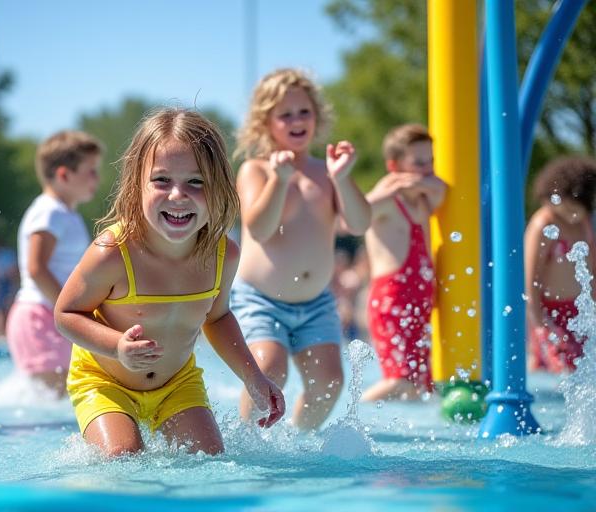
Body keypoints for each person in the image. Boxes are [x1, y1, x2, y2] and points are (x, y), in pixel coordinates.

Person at [55, 108, 285, 457]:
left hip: (177, 383)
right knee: (122, 457)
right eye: (162, 180)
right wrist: (117, 346)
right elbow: (66, 313)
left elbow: (218, 318)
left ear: (219, 189)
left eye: (196, 182)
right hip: (105, 380)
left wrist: (254, 378)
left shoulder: (222, 255)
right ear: (137, 186)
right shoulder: (114, 252)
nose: (178, 195)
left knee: (209, 462)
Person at [232, 68, 371, 431]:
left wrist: (342, 178)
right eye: (285, 114)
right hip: (261, 298)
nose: (296, 121)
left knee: (329, 382)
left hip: (315, 302)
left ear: (317, 116)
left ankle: (300, 439)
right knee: (268, 369)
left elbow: (359, 224)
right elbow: (259, 228)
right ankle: (250, 441)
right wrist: (279, 183)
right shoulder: (256, 170)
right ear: (266, 123)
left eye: (304, 112)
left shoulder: (327, 172)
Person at [5, 130, 103, 396]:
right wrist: (69, 310)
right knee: (54, 396)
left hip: (48, 315)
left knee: (61, 394)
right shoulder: (49, 212)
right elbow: (36, 267)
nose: (97, 178)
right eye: (91, 171)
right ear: (64, 175)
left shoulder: (66, 214)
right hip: (39, 317)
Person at [362, 123, 446, 401]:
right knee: (400, 381)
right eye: (419, 163)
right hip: (392, 301)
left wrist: (415, 181)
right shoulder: (388, 200)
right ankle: (351, 414)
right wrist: (392, 184)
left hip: (418, 300)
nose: (428, 169)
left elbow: (442, 189)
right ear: (394, 166)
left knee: (421, 385)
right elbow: (355, 214)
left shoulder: (421, 199)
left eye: (431, 161)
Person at [525, 155, 596, 373]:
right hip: (550, 314)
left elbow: (591, 271)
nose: (568, 214)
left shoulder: (584, 224)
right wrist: (539, 327)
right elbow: (530, 281)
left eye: (574, 210)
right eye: (564, 208)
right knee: (558, 367)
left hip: (578, 311)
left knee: (584, 368)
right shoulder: (544, 225)